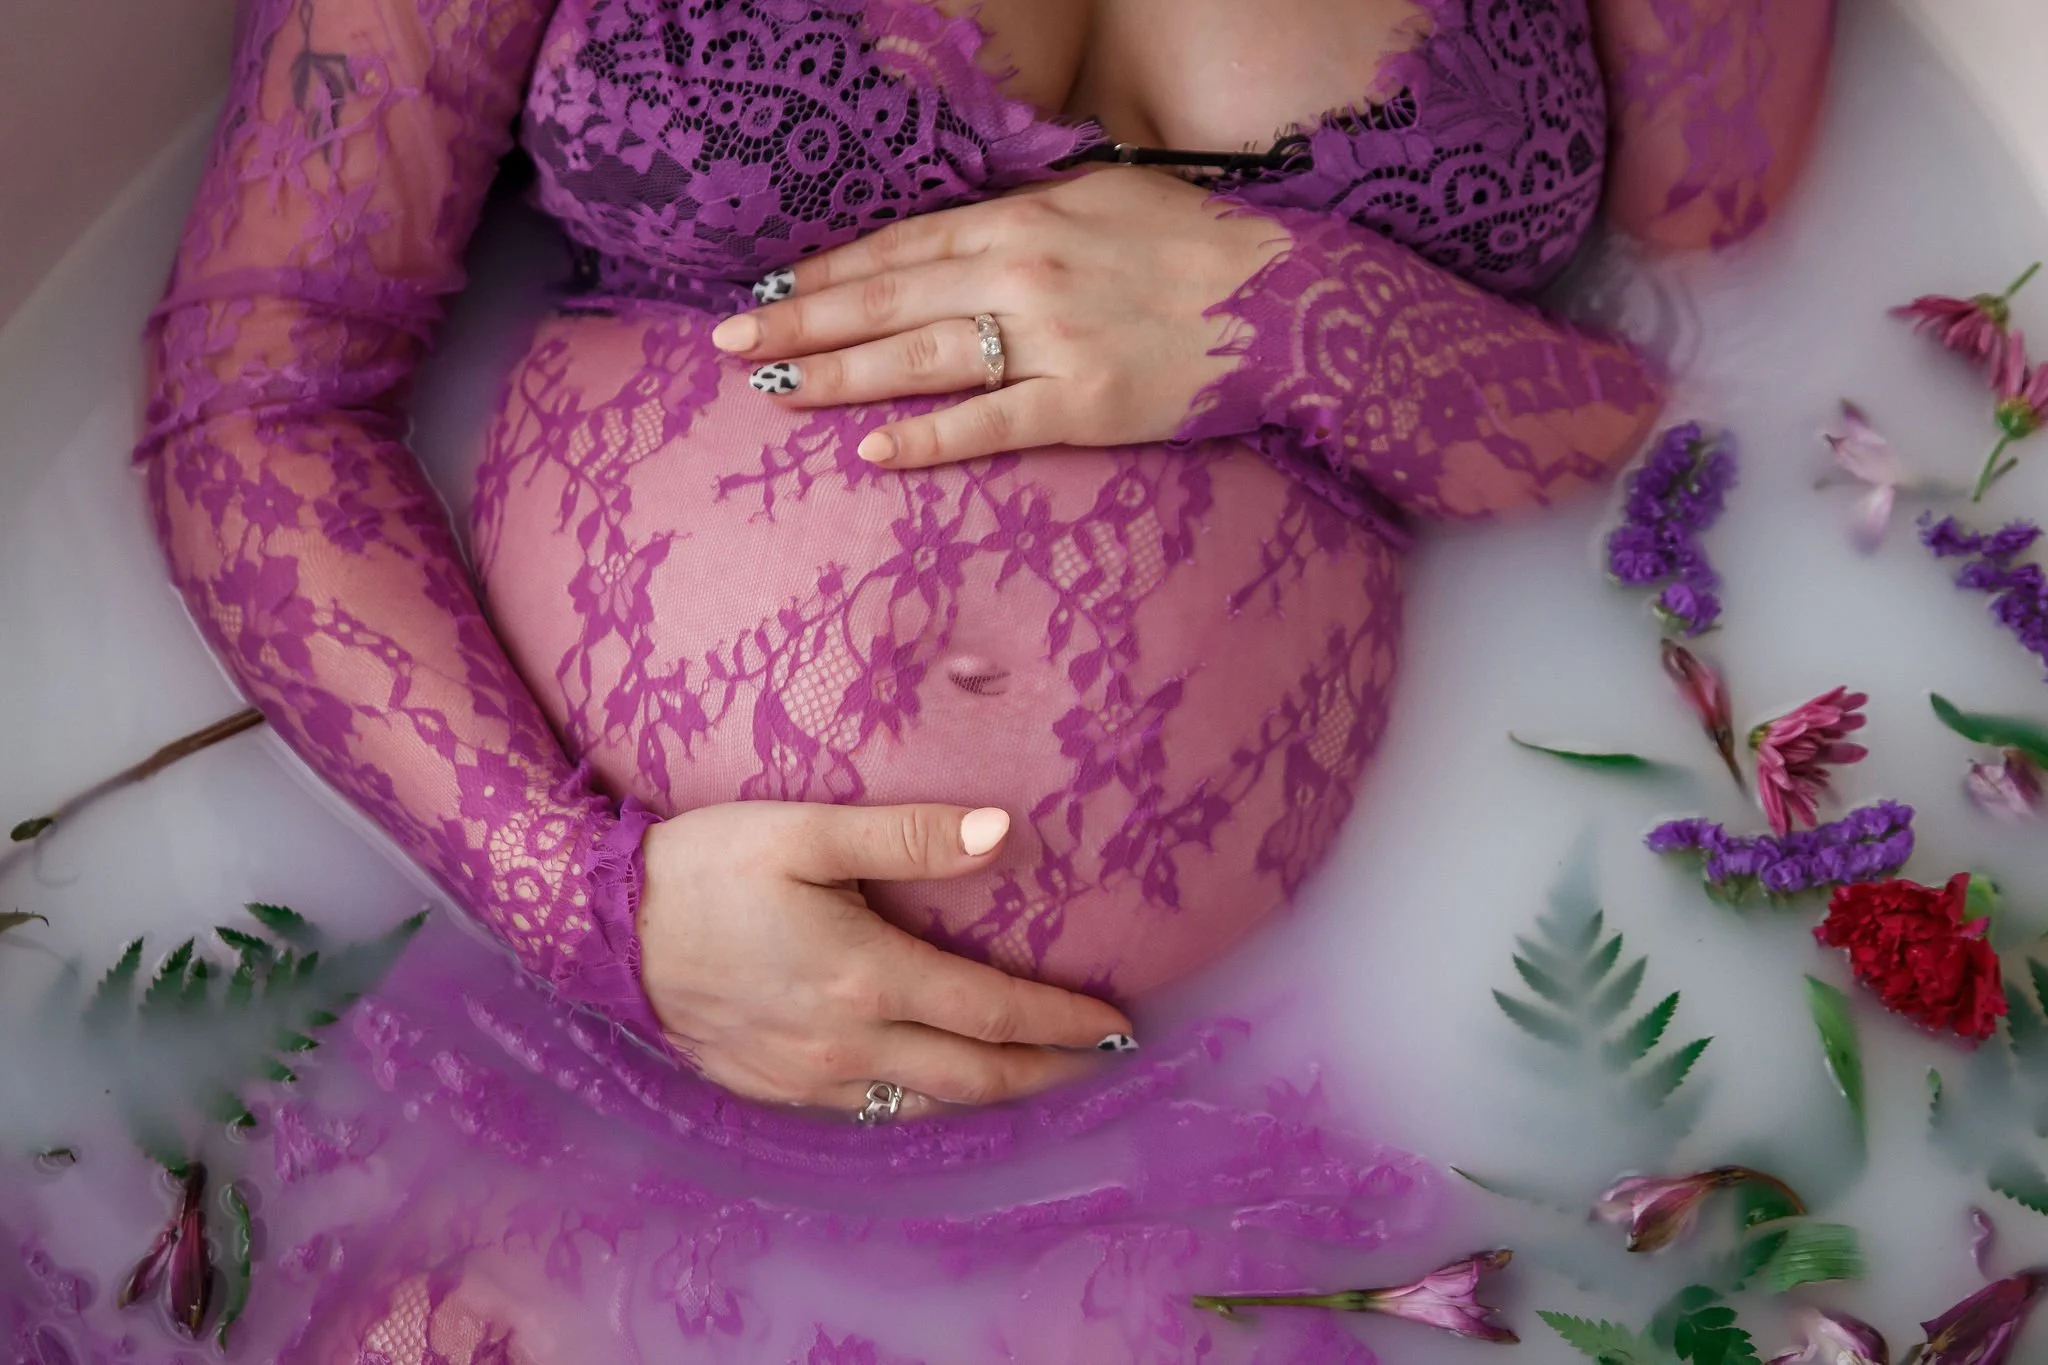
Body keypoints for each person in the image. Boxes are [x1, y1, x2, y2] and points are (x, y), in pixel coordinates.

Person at [127, 0, 1835, 1355]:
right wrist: (589, 905)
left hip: (1220, 1149)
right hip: (538, 1066)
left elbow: (1701, 322)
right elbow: (258, 393)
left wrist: (1316, 322)